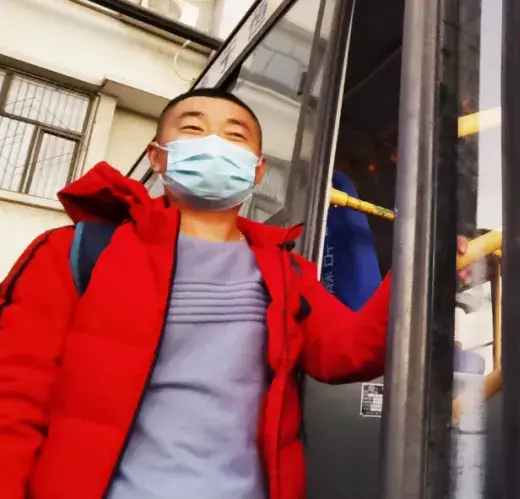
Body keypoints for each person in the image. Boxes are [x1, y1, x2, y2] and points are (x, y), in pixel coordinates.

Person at [0, 88, 469, 499]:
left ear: (257, 170)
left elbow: (346, 352)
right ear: (156, 156)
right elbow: (13, 402)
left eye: (235, 136)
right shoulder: (75, 253)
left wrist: (424, 270)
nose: (214, 144)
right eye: (193, 128)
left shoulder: (286, 271)